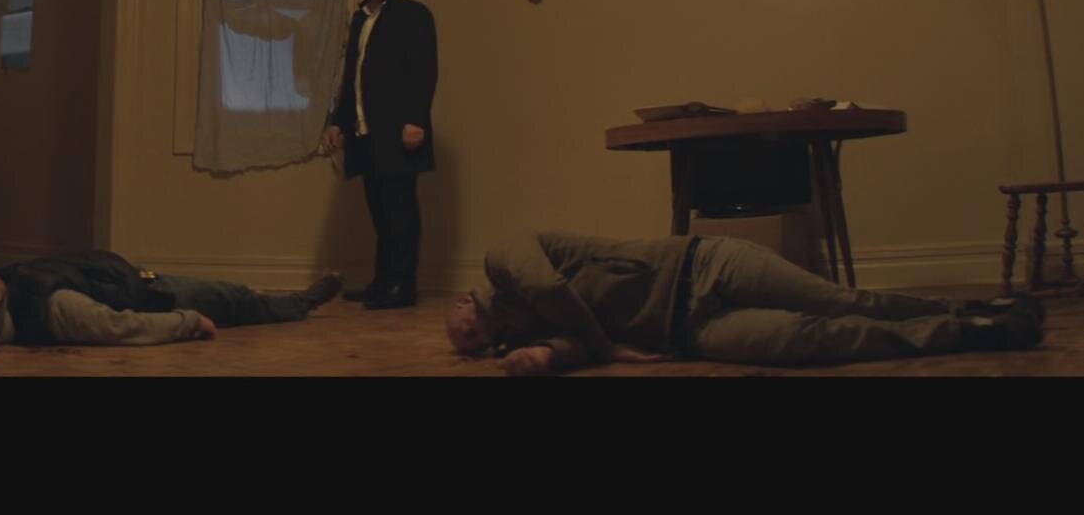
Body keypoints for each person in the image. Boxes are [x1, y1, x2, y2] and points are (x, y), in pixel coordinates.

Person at [447, 229, 1046, 375]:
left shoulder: (503, 258)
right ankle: (970, 331)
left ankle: (971, 307)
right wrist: (543, 358)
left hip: (708, 264)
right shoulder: (523, 334)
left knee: (842, 300)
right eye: (474, 348)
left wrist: (602, 349)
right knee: (812, 340)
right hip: (691, 332)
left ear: (461, 302)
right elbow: (574, 344)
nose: (477, 340)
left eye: (466, 332)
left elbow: (551, 290)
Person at [0, 249, 342, 346]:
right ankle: (304, 302)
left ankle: (292, 300)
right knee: (239, 300)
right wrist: (189, 322)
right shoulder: (55, 309)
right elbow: (121, 327)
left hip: (133, 277)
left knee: (240, 299)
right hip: (156, 295)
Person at [321, 0, 438, 310]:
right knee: (380, 211)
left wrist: (416, 120)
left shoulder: (413, 14)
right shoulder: (360, 19)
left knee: (400, 212)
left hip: (398, 130)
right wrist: (337, 122)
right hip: (365, 132)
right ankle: (384, 282)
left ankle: (403, 285)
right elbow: (352, 78)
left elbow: (424, 69)